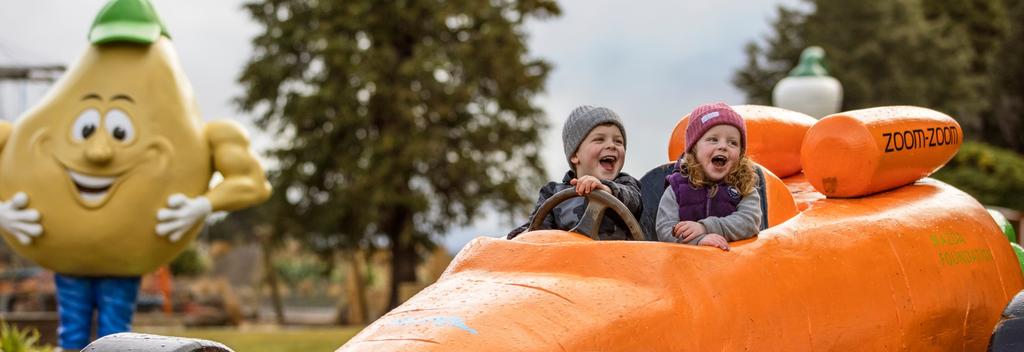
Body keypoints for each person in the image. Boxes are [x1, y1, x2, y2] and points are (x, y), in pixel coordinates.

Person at [507, 105, 641, 240]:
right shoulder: (552, 193)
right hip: (568, 259)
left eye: (618, 141)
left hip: (618, 259)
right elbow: (537, 229)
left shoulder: (626, 184)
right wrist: (520, 237)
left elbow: (635, 203)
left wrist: (606, 189)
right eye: (599, 139)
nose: (612, 145)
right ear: (575, 155)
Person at [656, 103, 762, 250]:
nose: (723, 146)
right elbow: (665, 229)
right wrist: (699, 240)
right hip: (687, 266)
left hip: (735, 265)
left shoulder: (743, 187)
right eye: (713, 139)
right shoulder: (677, 188)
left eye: (733, 142)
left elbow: (749, 222)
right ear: (694, 149)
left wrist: (705, 227)